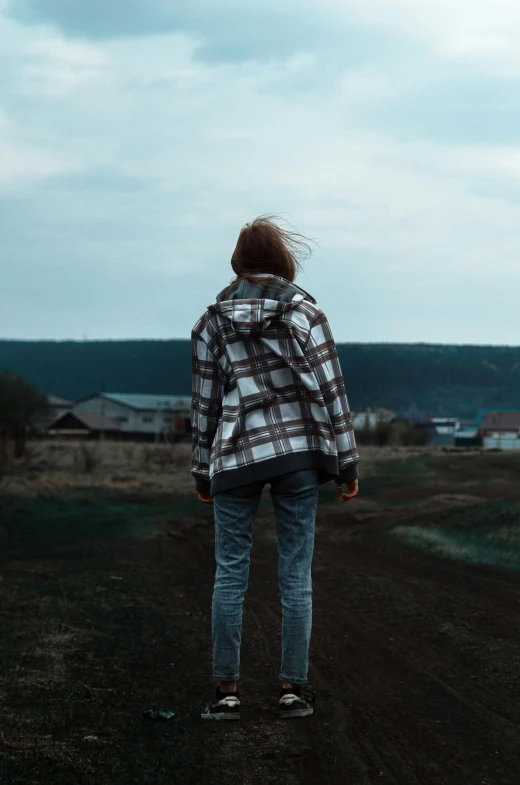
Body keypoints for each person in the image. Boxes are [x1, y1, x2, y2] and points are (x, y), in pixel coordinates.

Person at [191, 216, 359, 721]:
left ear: (238, 263)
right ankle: (292, 691)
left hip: (236, 457)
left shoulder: (211, 322)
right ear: (283, 260)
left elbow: (204, 404)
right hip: (298, 457)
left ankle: (226, 693)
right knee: (295, 575)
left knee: (229, 574)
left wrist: (203, 471)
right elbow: (333, 393)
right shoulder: (307, 315)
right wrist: (346, 462)